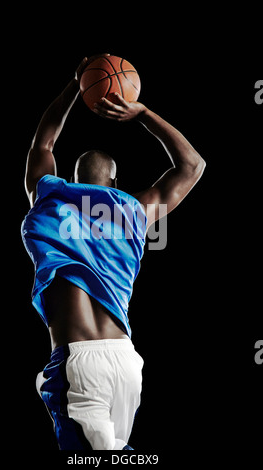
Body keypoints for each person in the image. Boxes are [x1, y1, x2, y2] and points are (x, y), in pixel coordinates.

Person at [21, 54, 206, 450]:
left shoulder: (50, 196)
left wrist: (76, 84)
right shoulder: (134, 211)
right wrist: (140, 112)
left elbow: (44, 142)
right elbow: (192, 166)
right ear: (116, 181)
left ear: (71, 177)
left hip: (78, 361)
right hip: (126, 360)